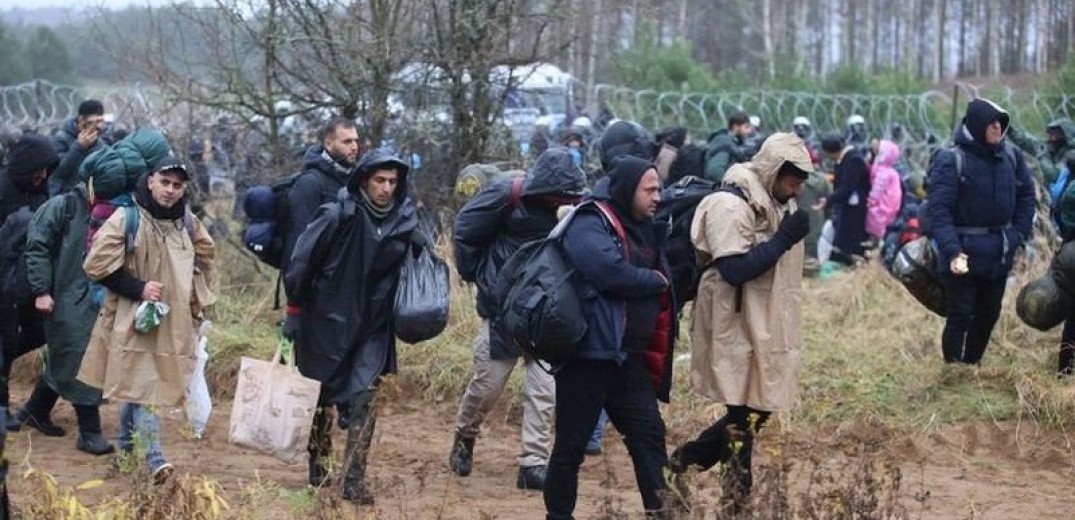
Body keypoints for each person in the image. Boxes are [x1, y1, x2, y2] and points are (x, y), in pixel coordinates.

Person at [669, 132, 812, 514]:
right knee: (744, 412)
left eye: (801, 182)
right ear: (773, 171)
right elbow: (734, 269)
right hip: (731, 319)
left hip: (761, 319)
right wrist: (783, 238)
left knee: (757, 407)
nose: (796, 189)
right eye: (792, 180)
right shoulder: (728, 204)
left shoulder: (772, 200)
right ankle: (733, 498)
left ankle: (684, 463)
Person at [284, 148, 422, 504]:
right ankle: (319, 462)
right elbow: (301, 263)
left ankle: (354, 479)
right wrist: (295, 310)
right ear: (364, 179)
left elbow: (417, 269)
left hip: (373, 326)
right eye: (379, 180)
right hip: (325, 320)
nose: (386, 188)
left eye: (393, 181)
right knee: (321, 397)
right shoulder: (336, 214)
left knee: (364, 399)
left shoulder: (405, 222)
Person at [544, 155, 677, 519]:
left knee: (649, 439)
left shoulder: (648, 229)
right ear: (627, 189)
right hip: (589, 358)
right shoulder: (589, 221)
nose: (657, 197)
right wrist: (654, 282)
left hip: (628, 359)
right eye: (649, 190)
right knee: (571, 448)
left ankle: (662, 514)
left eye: (659, 189)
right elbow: (608, 271)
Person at [449, 147, 586, 490]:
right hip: (503, 309)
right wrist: (482, 278)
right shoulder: (507, 192)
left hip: (547, 312)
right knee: (488, 385)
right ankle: (465, 435)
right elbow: (465, 230)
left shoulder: (577, 206)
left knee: (544, 389)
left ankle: (533, 463)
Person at [79, 157, 216, 483]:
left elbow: (207, 259)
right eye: (164, 182)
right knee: (146, 385)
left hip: (174, 322)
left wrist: (196, 300)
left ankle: (126, 454)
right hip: (133, 319)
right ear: (150, 181)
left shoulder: (189, 223)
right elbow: (95, 266)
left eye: (177, 185)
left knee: (140, 386)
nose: (170, 190)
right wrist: (138, 288)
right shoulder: (126, 219)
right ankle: (155, 459)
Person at [22, 153, 131, 456]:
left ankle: (35, 409)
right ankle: (89, 431)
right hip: (64, 294)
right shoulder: (63, 207)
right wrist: (42, 290)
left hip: (95, 295)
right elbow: (37, 248)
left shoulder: (114, 209)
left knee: (66, 356)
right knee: (81, 355)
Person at [927, 98, 1035, 365]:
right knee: (960, 314)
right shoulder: (951, 160)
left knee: (989, 314)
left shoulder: (1011, 157)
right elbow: (939, 211)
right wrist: (953, 251)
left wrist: (1016, 235)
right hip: (961, 253)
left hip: (999, 252)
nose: (998, 127)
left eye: (1001, 122)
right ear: (977, 123)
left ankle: (972, 364)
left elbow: (1027, 197)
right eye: (992, 122)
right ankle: (954, 368)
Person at [0, 135, 62, 436]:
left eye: (47, 170)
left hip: (30, 281)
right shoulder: (3, 188)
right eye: (39, 169)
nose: (43, 175)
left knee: (38, 332)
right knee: (6, 340)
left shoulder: (41, 190)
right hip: (4, 280)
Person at [284, 117, 363, 276]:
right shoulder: (310, 183)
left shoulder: (357, 179)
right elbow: (299, 241)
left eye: (356, 141)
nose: (354, 147)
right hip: (319, 279)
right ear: (328, 144)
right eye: (347, 142)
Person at [821, 134, 870, 265]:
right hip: (847, 207)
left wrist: (828, 200)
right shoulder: (845, 159)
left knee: (850, 242)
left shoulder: (854, 160)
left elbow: (847, 187)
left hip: (855, 210)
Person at [50, 100, 107, 196]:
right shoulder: (61, 139)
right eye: (92, 122)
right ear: (81, 120)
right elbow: (58, 172)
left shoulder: (100, 143)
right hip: (65, 197)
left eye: (100, 121)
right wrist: (79, 147)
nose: (98, 126)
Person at [1008, 118, 1075, 186]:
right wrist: (1010, 131)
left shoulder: (1071, 154)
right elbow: (1028, 142)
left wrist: (1042, 155)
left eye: (1055, 135)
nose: (1050, 138)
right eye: (1050, 134)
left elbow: (1056, 177)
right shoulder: (1052, 149)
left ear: (1066, 135)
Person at [866, 140, 904, 242]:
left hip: (881, 206)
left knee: (874, 226)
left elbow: (877, 189)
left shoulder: (882, 172)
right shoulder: (892, 172)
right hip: (890, 208)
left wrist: (871, 201)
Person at [703, 111, 752, 183]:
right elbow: (714, 171)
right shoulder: (724, 142)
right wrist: (732, 185)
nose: (749, 131)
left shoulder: (732, 142)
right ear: (735, 127)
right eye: (746, 127)